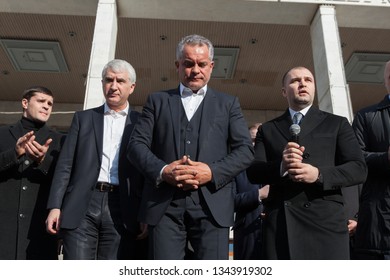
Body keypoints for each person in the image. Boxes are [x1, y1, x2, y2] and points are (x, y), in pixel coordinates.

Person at [127, 34, 254, 260]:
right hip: (163, 207)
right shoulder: (157, 101)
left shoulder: (228, 104)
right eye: (188, 63)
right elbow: (136, 146)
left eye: (202, 64)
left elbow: (245, 151)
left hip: (213, 207)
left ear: (211, 66)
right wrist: (163, 170)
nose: (195, 70)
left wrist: (212, 172)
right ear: (178, 65)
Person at [247, 66, 367, 259]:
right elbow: (253, 172)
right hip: (282, 224)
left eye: (308, 80)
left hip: (326, 223)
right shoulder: (268, 129)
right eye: (295, 80)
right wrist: (280, 166)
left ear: (314, 88)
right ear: (284, 91)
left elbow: (358, 169)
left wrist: (318, 175)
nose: (302, 83)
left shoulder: (337, 123)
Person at [46, 59, 147, 260]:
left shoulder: (142, 122)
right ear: (102, 83)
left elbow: (146, 171)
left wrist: (145, 213)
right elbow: (65, 165)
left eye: (120, 81)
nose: (114, 86)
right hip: (82, 204)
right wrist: (55, 206)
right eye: (109, 80)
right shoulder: (83, 119)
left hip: (123, 206)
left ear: (132, 87)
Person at [0, 86, 65, 259]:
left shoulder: (59, 140)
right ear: (25, 103)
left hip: (39, 230)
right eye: (41, 101)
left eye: (50, 104)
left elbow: (63, 180)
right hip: (4, 227)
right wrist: (15, 153)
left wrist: (42, 162)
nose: (47, 106)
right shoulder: (2, 134)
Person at [351, 60, 390, 260]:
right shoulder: (366, 117)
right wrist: (386, 158)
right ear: (385, 81)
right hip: (380, 229)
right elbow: (354, 158)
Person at [233, 123, 269, 260]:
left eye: (262, 141)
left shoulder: (282, 170)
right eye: (254, 140)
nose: (258, 145)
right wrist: (259, 194)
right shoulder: (236, 170)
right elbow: (227, 202)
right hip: (247, 237)